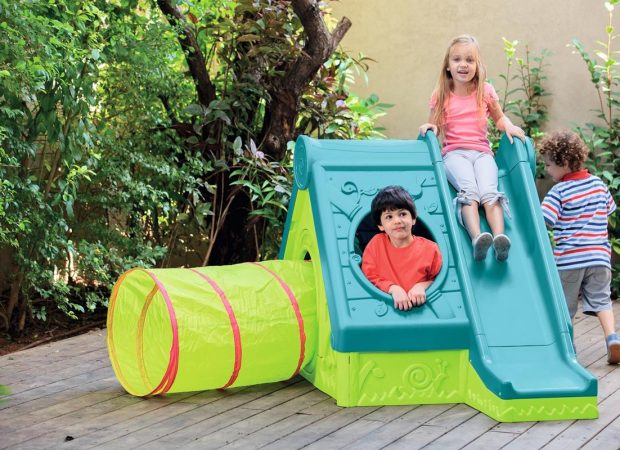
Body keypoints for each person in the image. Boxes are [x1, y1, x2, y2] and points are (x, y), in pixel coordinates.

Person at [419, 34, 525, 262]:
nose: (463, 64)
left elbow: (499, 118)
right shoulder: (441, 95)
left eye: (470, 60)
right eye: (457, 59)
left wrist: (509, 126)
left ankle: (500, 239)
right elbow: (434, 126)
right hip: (454, 154)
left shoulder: (484, 91)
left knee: (490, 192)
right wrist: (429, 128)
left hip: (483, 154)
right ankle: (477, 239)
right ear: (448, 66)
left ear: (478, 65)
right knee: (469, 192)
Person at [540, 130, 619, 364]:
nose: (546, 169)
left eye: (549, 165)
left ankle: (568, 348)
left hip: (569, 259)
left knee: (565, 306)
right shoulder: (598, 184)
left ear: (564, 163)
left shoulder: (558, 192)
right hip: (599, 257)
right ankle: (612, 338)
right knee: (602, 301)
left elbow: (543, 221)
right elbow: (609, 210)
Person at [362, 185, 442, 311]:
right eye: (389, 217)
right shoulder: (376, 244)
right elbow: (369, 277)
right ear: (380, 225)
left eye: (402, 214)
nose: (397, 221)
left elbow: (439, 279)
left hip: (423, 311)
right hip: (386, 311)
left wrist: (422, 286)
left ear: (413, 218)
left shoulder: (431, 249)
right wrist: (392, 288)